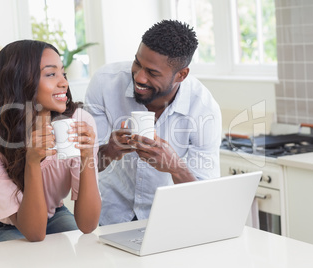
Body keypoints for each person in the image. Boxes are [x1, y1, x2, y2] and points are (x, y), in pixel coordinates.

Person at [84, 20, 222, 226]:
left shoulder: (203, 109)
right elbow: (84, 166)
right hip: (111, 214)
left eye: (153, 72)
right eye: (137, 63)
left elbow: (202, 197)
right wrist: (110, 150)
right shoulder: (105, 83)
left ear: (182, 75)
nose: (139, 77)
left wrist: (175, 167)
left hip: (166, 220)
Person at [0, 40, 101, 245]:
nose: (64, 82)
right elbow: (35, 233)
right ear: (19, 81)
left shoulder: (79, 122)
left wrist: (87, 157)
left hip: (52, 214)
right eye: (50, 74)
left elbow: (88, 225)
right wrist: (32, 162)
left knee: (88, 247)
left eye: (62, 73)